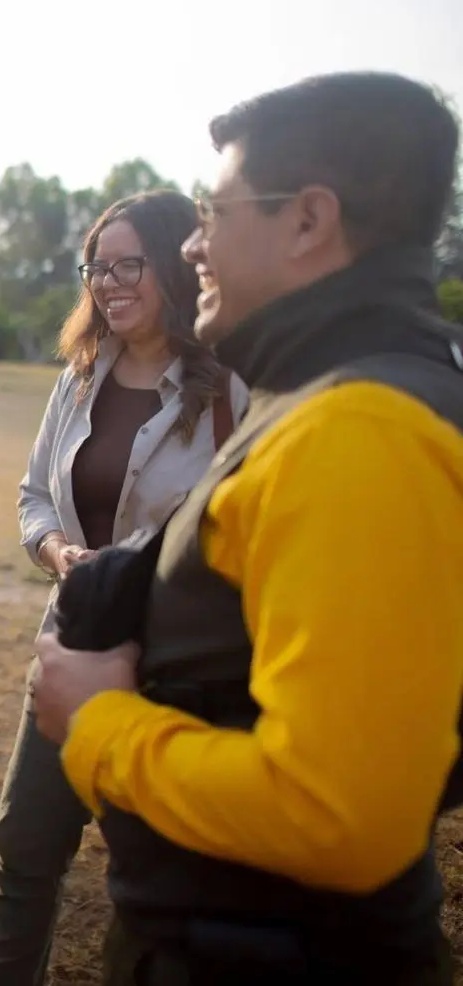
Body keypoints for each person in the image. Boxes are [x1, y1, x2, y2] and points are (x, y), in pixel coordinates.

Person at [32, 71, 463, 985]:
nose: (192, 247)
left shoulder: (360, 428)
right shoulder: (338, 394)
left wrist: (99, 722)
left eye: (212, 214)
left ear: (308, 221)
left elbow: (339, 816)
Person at [0, 190, 248, 986]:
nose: (109, 283)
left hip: (182, 672)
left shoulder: (234, 387)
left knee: (154, 872)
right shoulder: (81, 376)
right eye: (96, 268)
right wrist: (56, 550)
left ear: (179, 267)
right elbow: (34, 493)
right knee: (25, 849)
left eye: (130, 265)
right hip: (70, 647)